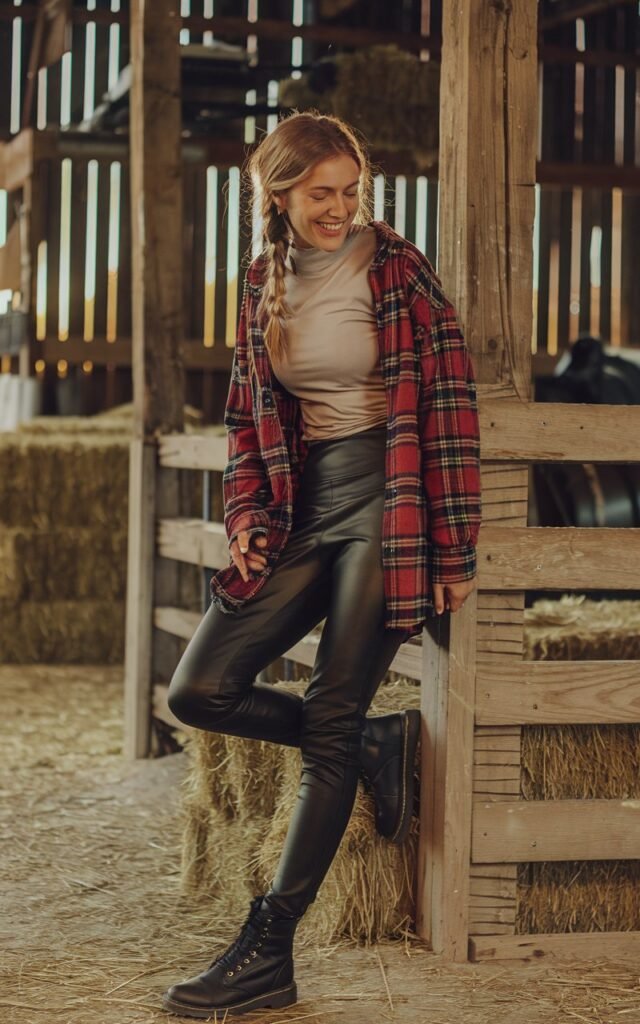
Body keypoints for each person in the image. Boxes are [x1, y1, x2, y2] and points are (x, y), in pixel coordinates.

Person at [162, 110, 481, 1019]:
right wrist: (247, 512)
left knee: (329, 717)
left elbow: (452, 400)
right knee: (201, 688)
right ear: (278, 196)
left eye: (350, 192)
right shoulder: (264, 281)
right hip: (309, 502)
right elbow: (244, 416)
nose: (340, 209)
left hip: (395, 495)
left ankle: (269, 948)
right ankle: (376, 744)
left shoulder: (396, 268)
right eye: (320, 194)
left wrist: (454, 545)